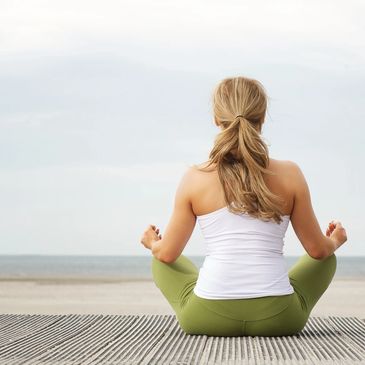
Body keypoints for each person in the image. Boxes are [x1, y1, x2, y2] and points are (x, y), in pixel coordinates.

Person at [140, 76, 348, 337]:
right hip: (279, 318)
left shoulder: (195, 177)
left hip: (206, 317)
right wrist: (335, 241)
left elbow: (168, 254)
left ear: (217, 119)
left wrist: (152, 243)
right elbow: (317, 251)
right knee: (326, 259)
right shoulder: (291, 174)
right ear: (261, 118)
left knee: (162, 260)